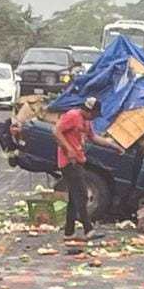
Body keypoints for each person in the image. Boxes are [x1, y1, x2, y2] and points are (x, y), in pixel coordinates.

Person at [53, 97, 125, 241]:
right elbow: (56, 131)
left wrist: (113, 146)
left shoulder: (86, 121)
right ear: (87, 110)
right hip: (69, 162)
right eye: (93, 114)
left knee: (74, 198)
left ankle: (69, 233)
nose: (94, 118)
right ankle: (88, 230)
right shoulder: (73, 116)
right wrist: (68, 149)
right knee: (82, 195)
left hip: (79, 160)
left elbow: (94, 137)